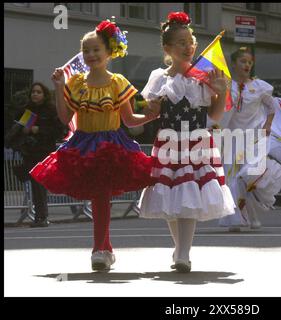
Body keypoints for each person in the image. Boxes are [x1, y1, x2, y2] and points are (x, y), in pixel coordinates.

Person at [30, 19, 157, 271]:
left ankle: (101, 249)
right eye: (86, 50)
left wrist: (154, 114)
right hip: (84, 144)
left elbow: (129, 119)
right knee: (99, 197)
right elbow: (66, 118)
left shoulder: (118, 82)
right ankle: (103, 249)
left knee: (102, 196)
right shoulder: (76, 83)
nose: (90, 54)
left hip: (111, 143)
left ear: (109, 52)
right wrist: (58, 88)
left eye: (96, 49)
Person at [138, 12, 235, 273]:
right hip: (168, 143)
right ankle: (179, 248)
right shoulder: (159, 77)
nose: (188, 46)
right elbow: (147, 109)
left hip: (196, 142)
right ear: (167, 48)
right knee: (170, 198)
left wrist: (221, 89)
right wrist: (149, 106)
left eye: (190, 41)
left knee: (189, 193)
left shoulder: (202, 79)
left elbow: (214, 116)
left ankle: (183, 253)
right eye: (181, 42)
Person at [215, 47, 281, 231]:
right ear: (233, 64)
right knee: (232, 180)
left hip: (253, 137)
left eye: (249, 62)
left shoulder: (259, 86)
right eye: (242, 61)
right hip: (231, 138)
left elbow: (272, 107)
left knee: (249, 177)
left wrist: (268, 125)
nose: (246, 65)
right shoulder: (227, 85)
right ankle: (234, 220)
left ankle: (253, 216)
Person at [6, 82, 66, 227]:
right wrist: (24, 131)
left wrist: (39, 129)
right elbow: (18, 129)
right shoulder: (27, 111)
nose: (35, 94)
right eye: (33, 92)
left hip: (44, 151)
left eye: (38, 92)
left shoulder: (51, 110)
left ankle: (41, 217)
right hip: (29, 151)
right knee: (34, 183)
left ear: (44, 95)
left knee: (38, 184)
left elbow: (58, 131)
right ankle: (40, 216)